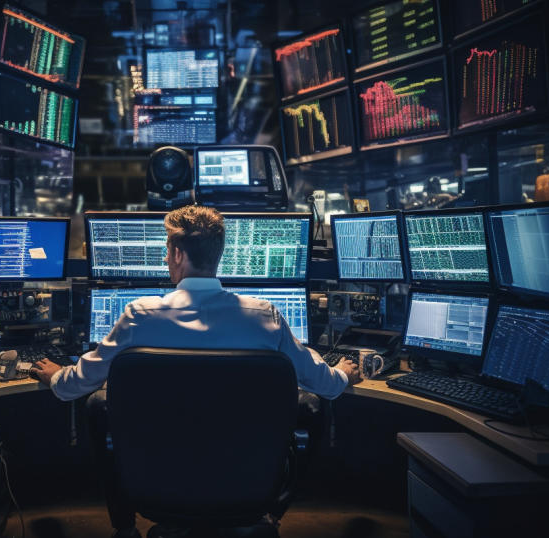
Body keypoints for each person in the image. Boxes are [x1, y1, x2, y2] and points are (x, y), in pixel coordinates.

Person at [33, 205, 361, 538]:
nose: (165, 260)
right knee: (312, 406)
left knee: (95, 406)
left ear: (177, 254)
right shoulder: (265, 317)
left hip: (158, 478)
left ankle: (124, 524)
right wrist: (344, 372)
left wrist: (57, 376)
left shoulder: (140, 316)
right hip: (246, 479)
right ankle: (273, 511)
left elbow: (79, 384)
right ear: (218, 254)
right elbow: (326, 385)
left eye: (166, 252)